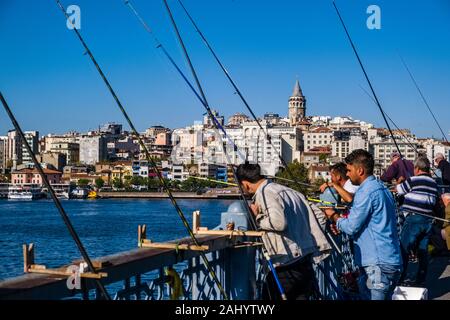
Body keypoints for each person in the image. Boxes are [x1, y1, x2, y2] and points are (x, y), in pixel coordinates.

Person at [236, 162, 330, 300]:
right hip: (304, 261)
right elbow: (320, 216)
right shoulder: (290, 191)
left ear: (245, 184)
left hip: (285, 266)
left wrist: (257, 218)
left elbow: (279, 223)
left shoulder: (265, 193)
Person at [322, 149, 402, 300]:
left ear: (360, 170)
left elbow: (351, 227)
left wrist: (333, 216)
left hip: (377, 264)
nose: (347, 174)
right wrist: (342, 222)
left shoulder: (366, 192)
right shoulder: (381, 188)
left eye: (349, 170)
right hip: (389, 259)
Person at [396, 157, 439, 286]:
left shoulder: (413, 180)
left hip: (414, 219)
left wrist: (400, 181)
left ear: (417, 168)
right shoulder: (433, 182)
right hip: (428, 220)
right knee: (422, 251)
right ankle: (420, 279)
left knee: (403, 248)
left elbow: (399, 190)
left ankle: (400, 278)